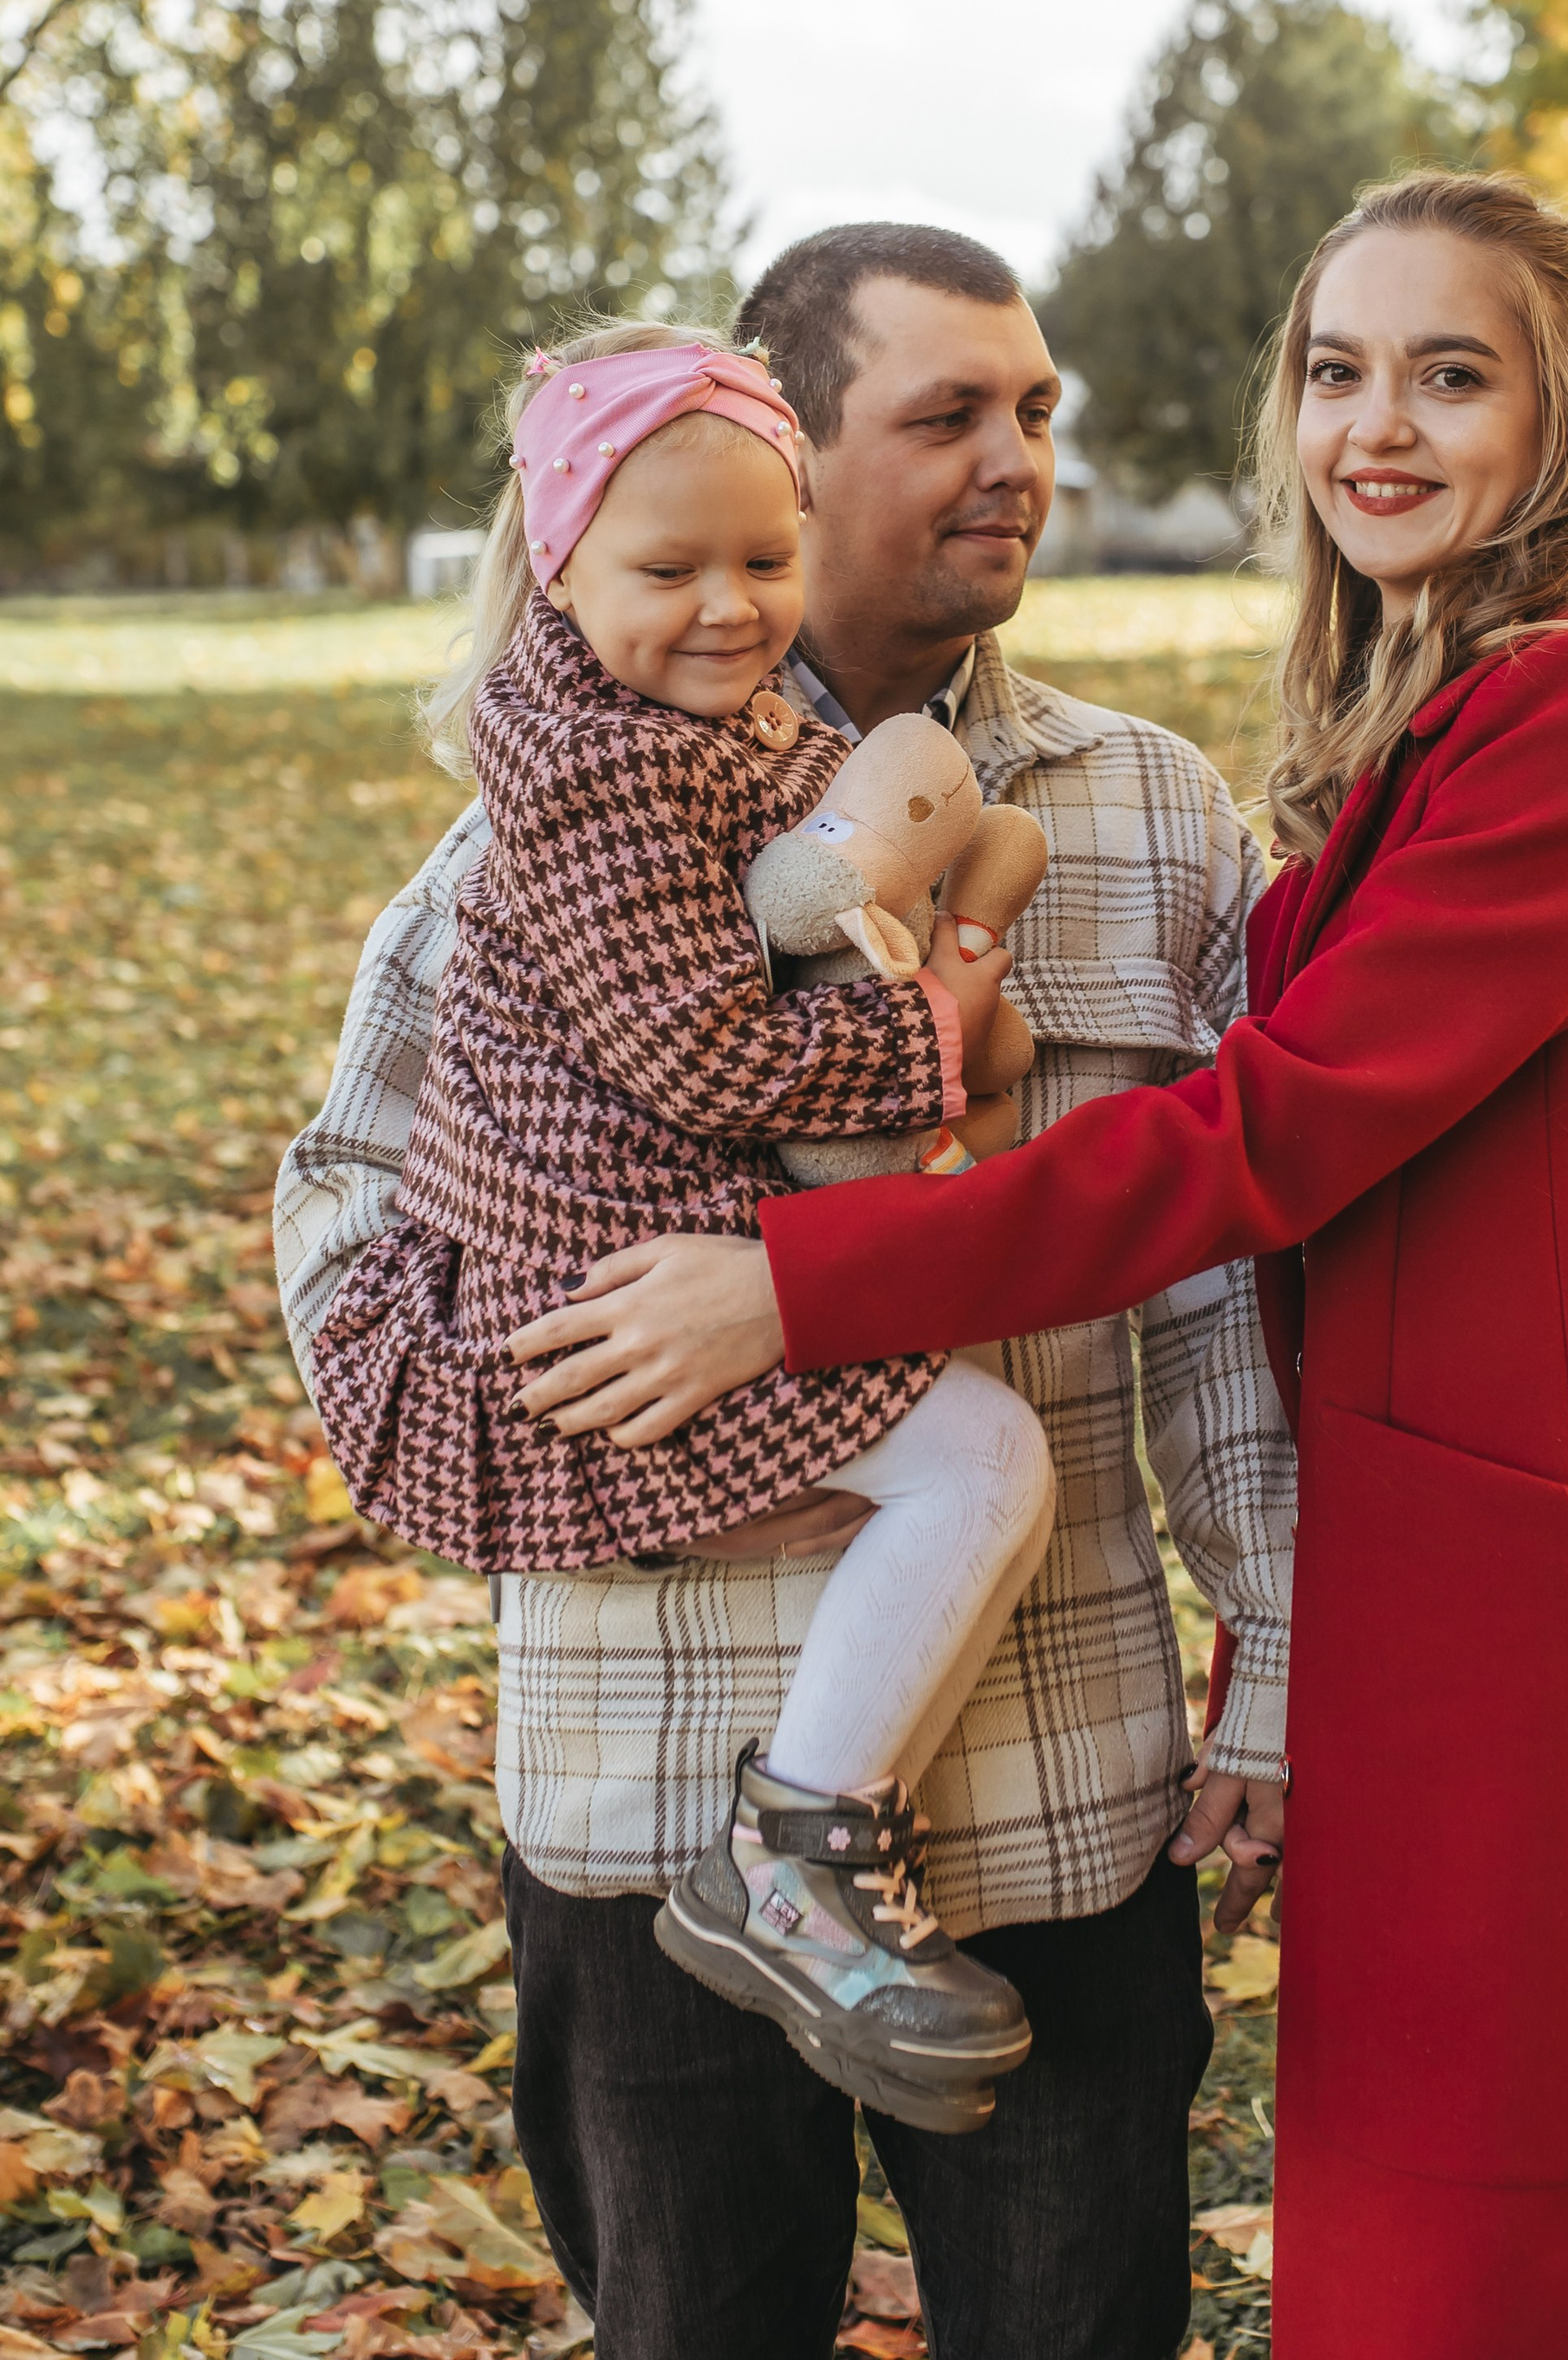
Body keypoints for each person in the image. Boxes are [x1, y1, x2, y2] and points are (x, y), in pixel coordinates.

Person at [598, 171, 1568, 2358]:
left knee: (1561, 2223)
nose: (1373, 427)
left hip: (1553, 1594)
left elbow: (1261, 1139)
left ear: (1561, 416)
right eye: (1333, 371)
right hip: (1430, 1554)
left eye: (1448, 375)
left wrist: (803, 1279)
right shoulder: (1424, 718)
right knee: (1440, 2203)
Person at [274, 223, 1296, 2360]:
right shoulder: (551, 826)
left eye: (1034, 411)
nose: (1015, 460)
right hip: (645, 1785)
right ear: (790, 453)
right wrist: (554, 1414)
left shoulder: (1142, 810)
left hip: (1050, 1792)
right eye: (946, 415)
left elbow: (1223, 1284)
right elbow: (350, 1192)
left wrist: (1277, 1644)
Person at [308, 323, 1056, 2129]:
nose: (729, 607)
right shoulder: (599, 777)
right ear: (558, 569)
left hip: (652, 1237)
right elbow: (700, 1052)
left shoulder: (694, 731)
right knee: (982, 1465)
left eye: (762, 559)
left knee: (972, 1465)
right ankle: (794, 1856)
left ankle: (816, 1840)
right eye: (668, 570)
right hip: (604, 1277)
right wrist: (932, 1025)